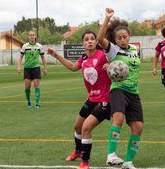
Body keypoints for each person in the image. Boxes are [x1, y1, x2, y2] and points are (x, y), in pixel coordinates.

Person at [47, 30, 112, 169]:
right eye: (86, 39)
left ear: (96, 42)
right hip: (91, 99)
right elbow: (72, 67)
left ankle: (85, 161)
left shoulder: (103, 55)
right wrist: (56, 55)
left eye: (92, 39)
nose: (89, 41)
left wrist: (111, 66)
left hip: (105, 100)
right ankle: (77, 152)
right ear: (83, 43)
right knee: (77, 127)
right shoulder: (83, 58)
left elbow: (117, 63)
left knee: (86, 128)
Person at [97, 8, 144, 169]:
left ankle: (128, 162)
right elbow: (99, 38)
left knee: (138, 127)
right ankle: (111, 155)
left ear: (129, 37)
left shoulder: (134, 50)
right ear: (115, 40)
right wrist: (107, 18)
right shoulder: (113, 50)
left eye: (125, 37)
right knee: (118, 118)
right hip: (118, 90)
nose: (123, 40)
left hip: (134, 92)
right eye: (119, 38)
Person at [17, 31, 47, 109]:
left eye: (33, 35)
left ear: (35, 36)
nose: (32, 36)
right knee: (27, 86)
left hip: (36, 68)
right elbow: (20, 57)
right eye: (30, 35)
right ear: (28, 37)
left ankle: (37, 103)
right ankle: (29, 102)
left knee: (36, 85)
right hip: (27, 68)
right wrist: (19, 66)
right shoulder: (25, 46)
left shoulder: (39, 46)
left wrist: (45, 68)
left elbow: (43, 58)